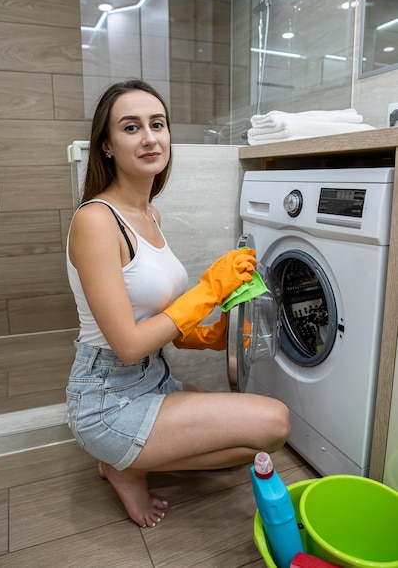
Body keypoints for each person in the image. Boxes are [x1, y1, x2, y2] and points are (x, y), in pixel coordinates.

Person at [66, 79, 290, 529]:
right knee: (275, 420)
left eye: (158, 124)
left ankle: (129, 461)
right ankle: (123, 465)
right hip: (108, 397)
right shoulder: (95, 220)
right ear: (106, 145)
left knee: (250, 448)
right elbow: (128, 345)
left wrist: (209, 335)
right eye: (131, 128)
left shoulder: (150, 214)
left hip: (154, 377)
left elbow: (152, 314)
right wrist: (208, 289)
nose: (150, 138)